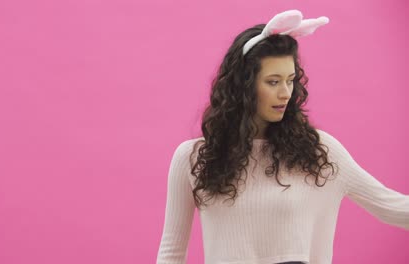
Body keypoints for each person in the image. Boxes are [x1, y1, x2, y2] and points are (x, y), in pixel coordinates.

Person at [156, 9, 409, 264]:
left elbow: (393, 207)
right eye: (273, 82)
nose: (286, 93)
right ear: (244, 86)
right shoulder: (195, 158)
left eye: (290, 80)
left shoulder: (319, 152)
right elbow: (171, 252)